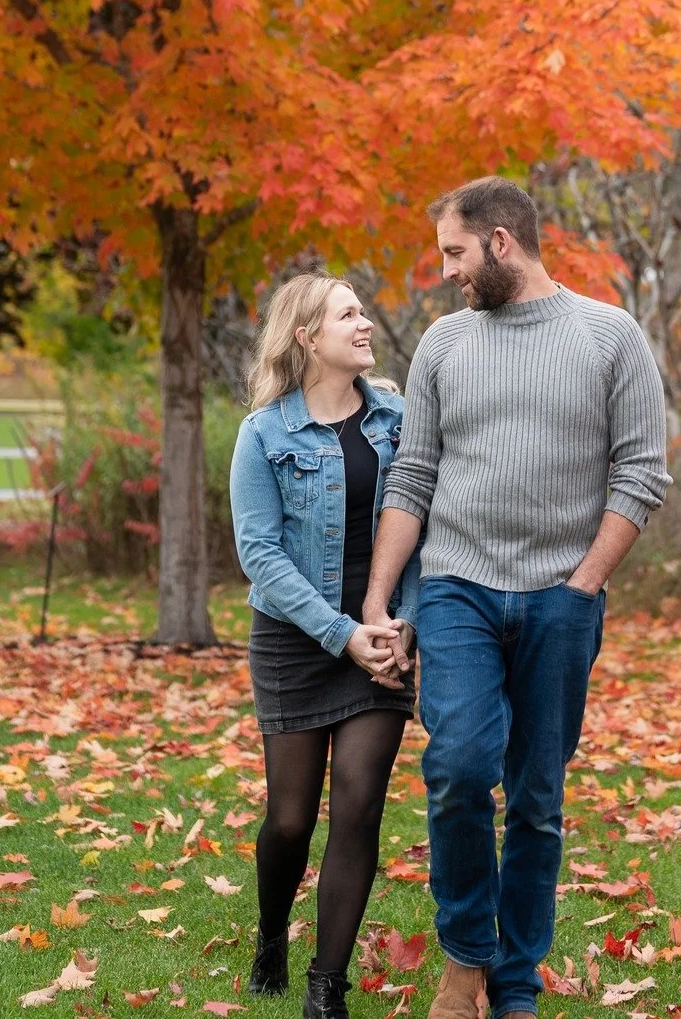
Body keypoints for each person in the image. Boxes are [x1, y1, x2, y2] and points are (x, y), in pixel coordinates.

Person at [364, 177, 670, 1019]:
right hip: (457, 587)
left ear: (500, 242)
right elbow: (414, 475)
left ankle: (515, 979)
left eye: (455, 254)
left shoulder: (609, 336)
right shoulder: (442, 343)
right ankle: (466, 956)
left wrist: (581, 587)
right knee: (459, 767)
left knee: (535, 797)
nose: (448, 273)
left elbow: (641, 473)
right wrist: (379, 600)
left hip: (558, 601)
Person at [231, 274, 421, 1019]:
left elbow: (422, 526)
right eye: (347, 313)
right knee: (288, 819)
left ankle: (325, 987)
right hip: (295, 640)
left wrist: (399, 623)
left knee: (359, 804)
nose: (365, 322)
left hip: (381, 640)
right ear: (307, 335)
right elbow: (260, 555)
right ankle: (272, 933)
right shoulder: (264, 433)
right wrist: (341, 634)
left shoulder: (398, 421)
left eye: (362, 310)